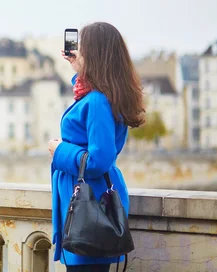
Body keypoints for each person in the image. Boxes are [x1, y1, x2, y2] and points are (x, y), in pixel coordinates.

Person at [48, 22, 145, 272]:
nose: (78, 50)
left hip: (90, 208)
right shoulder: (101, 95)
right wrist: (79, 68)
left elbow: (99, 160)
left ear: (96, 53)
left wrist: (60, 151)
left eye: (83, 46)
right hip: (91, 201)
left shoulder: (98, 100)